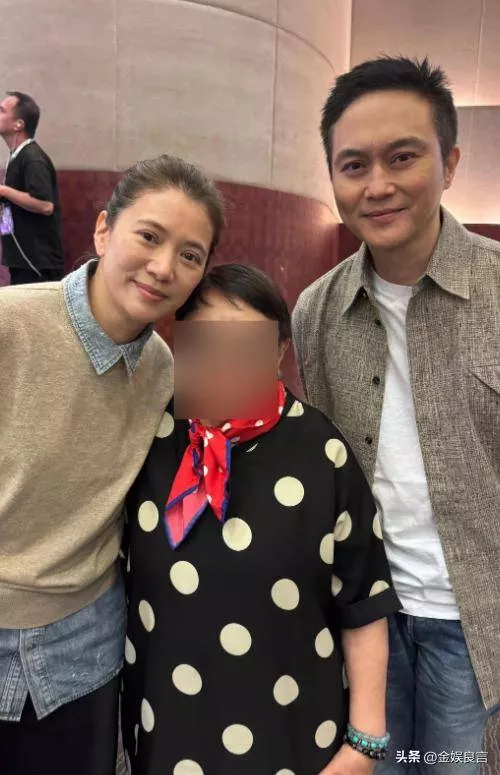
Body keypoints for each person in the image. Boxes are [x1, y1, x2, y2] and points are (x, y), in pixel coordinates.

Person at [292, 56, 500, 774]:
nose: (377, 185)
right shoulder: (315, 310)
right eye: (354, 165)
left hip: (473, 623)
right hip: (364, 616)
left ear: (450, 162)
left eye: (402, 157)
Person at [122, 263, 401, 775]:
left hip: (292, 730)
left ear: (278, 353)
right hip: (167, 726)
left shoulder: (321, 452)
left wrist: (365, 743)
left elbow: (363, 602)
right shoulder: (150, 437)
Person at [0, 154, 225, 775]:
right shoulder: (12, 325)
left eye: (190, 255)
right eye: (149, 236)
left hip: (86, 648)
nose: (163, 267)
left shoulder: (164, 370)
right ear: (103, 230)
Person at [0, 91, 65, 283]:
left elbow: (45, 205)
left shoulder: (32, 158)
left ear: (18, 124)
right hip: (21, 261)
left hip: (37, 264)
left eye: (2, 111)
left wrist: (3, 191)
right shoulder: (16, 157)